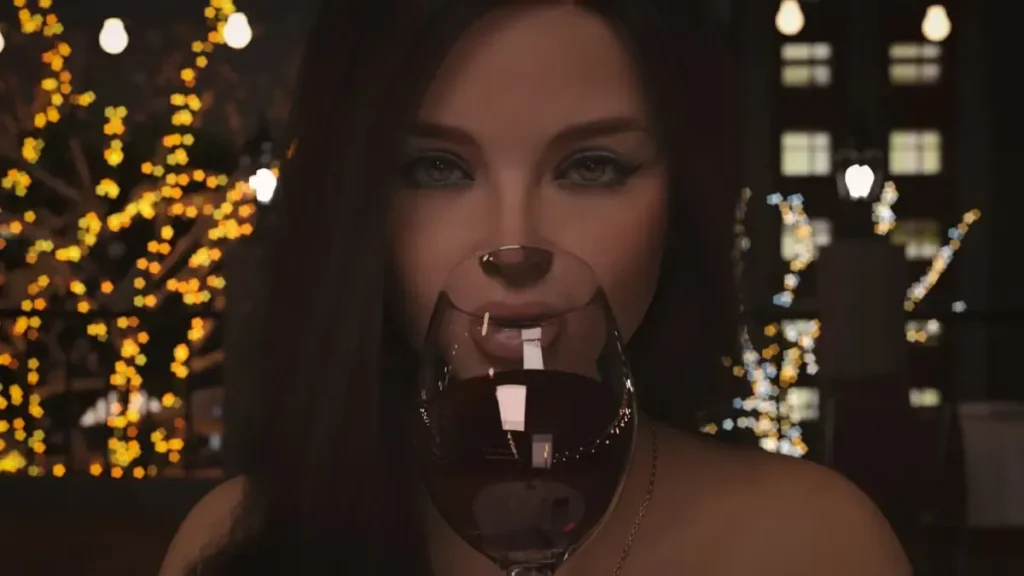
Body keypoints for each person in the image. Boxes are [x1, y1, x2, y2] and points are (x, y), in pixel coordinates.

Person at [162, 1, 911, 574]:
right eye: (437, 169)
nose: (512, 246)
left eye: (591, 167)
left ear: (681, 203)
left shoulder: (820, 546)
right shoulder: (234, 543)